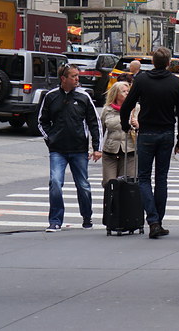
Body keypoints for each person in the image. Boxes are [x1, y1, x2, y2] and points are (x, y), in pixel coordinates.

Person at [121, 46, 179, 239]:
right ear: (168, 63)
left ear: (152, 61)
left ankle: (153, 220)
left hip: (147, 133)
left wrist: (125, 124)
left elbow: (127, 105)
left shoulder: (141, 80)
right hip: (166, 133)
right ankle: (158, 219)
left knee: (143, 177)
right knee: (161, 178)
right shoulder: (176, 83)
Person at [37, 64, 102, 232]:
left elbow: (94, 123)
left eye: (77, 76)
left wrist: (97, 147)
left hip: (79, 149)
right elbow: (42, 121)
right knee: (56, 183)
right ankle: (55, 220)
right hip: (57, 149)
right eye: (73, 76)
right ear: (63, 79)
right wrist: (50, 139)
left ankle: (87, 217)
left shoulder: (84, 96)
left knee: (83, 185)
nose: (77, 79)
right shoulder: (51, 97)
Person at [100, 80, 138, 186]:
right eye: (123, 91)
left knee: (127, 184)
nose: (127, 93)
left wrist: (138, 125)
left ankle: (124, 203)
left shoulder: (136, 108)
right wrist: (95, 149)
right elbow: (100, 130)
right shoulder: (107, 110)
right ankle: (110, 202)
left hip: (130, 151)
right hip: (110, 151)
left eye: (128, 91)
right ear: (116, 94)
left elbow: (146, 129)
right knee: (109, 183)